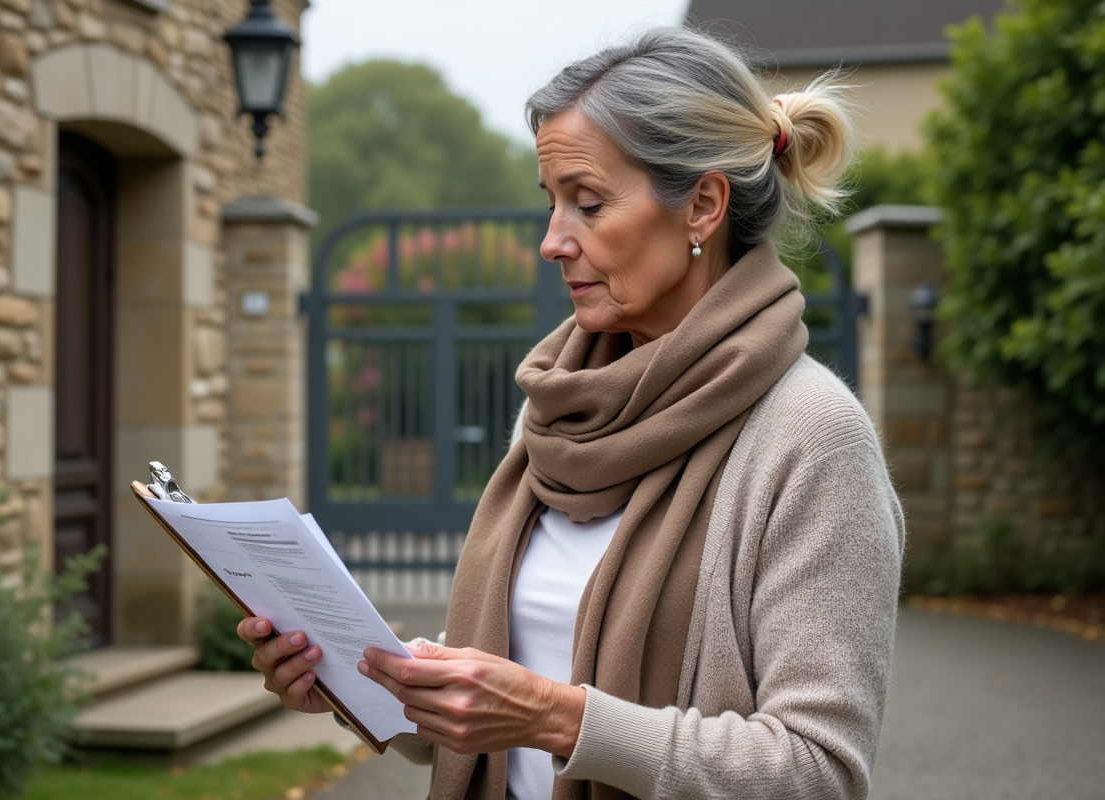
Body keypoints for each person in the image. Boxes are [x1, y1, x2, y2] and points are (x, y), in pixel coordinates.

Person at [237, 25, 904, 800]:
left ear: (702, 206)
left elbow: (819, 770)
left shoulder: (815, 440)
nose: (553, 241)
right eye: (552, 203)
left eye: (588, 203)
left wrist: (557, 718)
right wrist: (359, 678)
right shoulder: (560, 410)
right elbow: (508, 688)